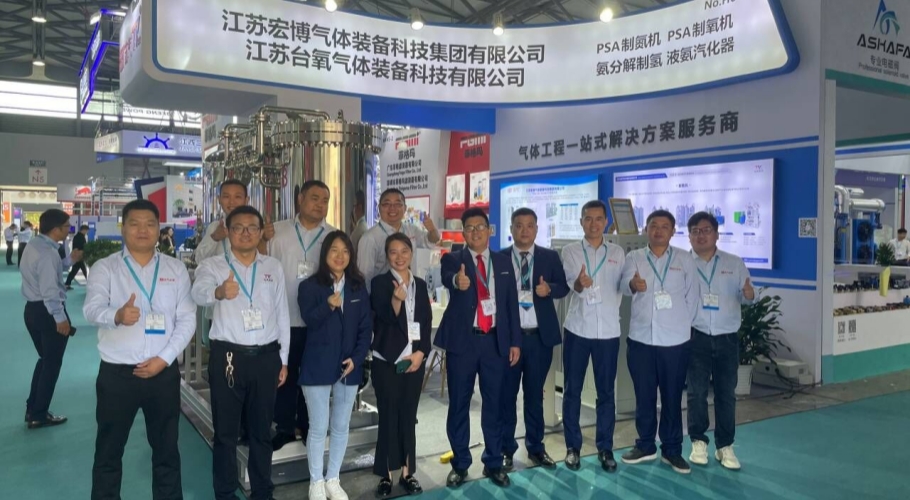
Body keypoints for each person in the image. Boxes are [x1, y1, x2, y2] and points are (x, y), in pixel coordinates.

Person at [83, 199, 196, 499]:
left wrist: (164, 359)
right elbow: (91, 309)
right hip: (117, 376)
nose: (142, 230)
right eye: (135, 224)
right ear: (124, 228)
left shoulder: (175, 269)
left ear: (159, 229)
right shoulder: (106, 268)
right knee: (108, 450)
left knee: (167, 450)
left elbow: (187, 319)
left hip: (162, 374)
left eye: (149, 224)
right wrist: (116, 315)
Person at [192, 205, 290, 500]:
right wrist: (218, 292)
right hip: (228, 358)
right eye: (238, 227)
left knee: (262, 431)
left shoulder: (272, 266)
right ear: (229, 232)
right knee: (225, 432)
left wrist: (284, 360)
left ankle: (262, 491)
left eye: (252, 228)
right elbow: (197, 293)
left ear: (260, 233)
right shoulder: (213, 266)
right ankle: (224, 493)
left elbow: (282, 314)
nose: (245, 233)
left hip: (266, 357)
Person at [435, 207, 521, 488]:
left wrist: (515, 341)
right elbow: (448, 278)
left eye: (480, 227)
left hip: (495, 342)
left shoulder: (504, 262)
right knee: (459, 403)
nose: (475, 232)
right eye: (469, 228)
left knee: (494, 403)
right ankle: (460, 464)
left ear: (489, 230)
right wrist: (457, 281)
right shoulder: (453, 259)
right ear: (463, 233)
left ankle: (493, 462)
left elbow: (510, 304)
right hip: (464, 343)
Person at [620, 209, 699, 475]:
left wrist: (681, 325)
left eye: (665, 227)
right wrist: (632, 284)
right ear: (646, 229)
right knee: (644, 396)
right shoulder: (634, 257)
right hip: (641, 339)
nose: (658, 231)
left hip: (674, 342)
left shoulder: (684, 259)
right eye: (654, 226)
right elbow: (623, 287)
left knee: (672, 397)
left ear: (673, 231)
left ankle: (672, 449)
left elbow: (693, 297)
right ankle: (645, 445)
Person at [298, 231, 371, 500]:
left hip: (348, 366)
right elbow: (309, 320)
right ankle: (315, 482)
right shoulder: (310, 286)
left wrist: (357, 358)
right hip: (317, 365)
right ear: (325, 254)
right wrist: (327, 306)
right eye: (334, 250)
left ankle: (333, 479)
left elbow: (365, 328)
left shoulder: (357, 287)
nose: (340, 256)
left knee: (341, 426)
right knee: (318, 426)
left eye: (345, 251)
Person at [266, 180, 336, 451]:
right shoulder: (277, 232)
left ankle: (309, 427)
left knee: (313, 376)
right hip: (283, 318)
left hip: (317, 320)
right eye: (314, 198)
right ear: (300, 199)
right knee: (284, 376)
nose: (320, 205)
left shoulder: (333, 236)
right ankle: (284, 427)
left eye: (325, 200)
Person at [499, 208, 569, 471]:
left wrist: (549, 288)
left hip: (539, 338)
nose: (524, 230)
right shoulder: (500, 258)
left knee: (535, 396)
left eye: (530, 225)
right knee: (506, 397)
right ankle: (506, 449)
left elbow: (563, 287)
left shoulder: (549, 257)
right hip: (509, 341)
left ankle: (536, 448)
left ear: (537, 229)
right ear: (511, 229)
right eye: (519, 225)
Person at [559, 200, 626, 473]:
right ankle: (572, 448)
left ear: (606, 222)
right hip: (578, 329)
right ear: (581, 222)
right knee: (572, 391)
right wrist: (579, 283)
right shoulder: (570, 251)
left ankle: (605, 447)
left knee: (606, 392)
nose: (594, 224)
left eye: (599, 219)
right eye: (588, 219)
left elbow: (625, 285)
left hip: (608, 331)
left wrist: (634, 285)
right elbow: (570, 285)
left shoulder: (618, 252)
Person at [686, 212, 753, 471]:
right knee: (696, 393)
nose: (700, 235)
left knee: (726, 394)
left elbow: (747, 296)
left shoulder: (734, 263)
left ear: (716, 234)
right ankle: (698, 441)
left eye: (705, 230)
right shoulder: (683, 263)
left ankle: (725, 445)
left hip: (726, 337)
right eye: (695, 231)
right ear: (689, 236)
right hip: (696, 335)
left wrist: (749, 294)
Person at [370, 233, 432, 497]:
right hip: (387, 362)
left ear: (411, 253)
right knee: (388, 417)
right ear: (387, 256)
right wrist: (396, 300)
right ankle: (385, 475)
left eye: (404, 251)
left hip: (413, 361)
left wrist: (421, 354)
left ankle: (408, 473)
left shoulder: (420, 285)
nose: (399, 257)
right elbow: (383, 319)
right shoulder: (379, 283)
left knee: (408, 416)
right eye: (393, 252)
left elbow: (426, 323)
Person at [21, 210, 82, 429]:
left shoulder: (36, 245)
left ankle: (33, 408)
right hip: (48, 312)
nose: (69, 230)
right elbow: (50, 290)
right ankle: (39, 414)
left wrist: (69, 260)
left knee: (45, 360)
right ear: (56, 229)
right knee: (51, 364)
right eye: (67, 226)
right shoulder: (47, 253)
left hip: (32, 310)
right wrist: (60, 318)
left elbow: (49, 271)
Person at [357, 188, 440, 290]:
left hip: (410, 291)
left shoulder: (411, 229)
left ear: (405, 208)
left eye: (397, 204)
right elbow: (364, 276)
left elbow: (431, 240)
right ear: (379, 208)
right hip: (383, 294)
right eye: (387, 204)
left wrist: (432, 230)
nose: (392, 208)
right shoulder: (369, 238)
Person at [193, 179, 251, 263]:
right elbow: (199, 259)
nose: (232, 202)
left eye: (237, 197)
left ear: (246, 200)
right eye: (226, 197)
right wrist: (214, 238)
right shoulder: (214, 227)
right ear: (219, 200)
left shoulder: (256, 228)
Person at [65, 225, 90, 289]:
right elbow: (81, 246)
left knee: (75, 270)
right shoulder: (80, 237)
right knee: (81, 270)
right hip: (79, 256)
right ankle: (89, 282)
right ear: (84, 230)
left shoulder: (78, 236)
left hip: (77, 255)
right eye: (87, 231)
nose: (87, 232)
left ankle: (67, 284)